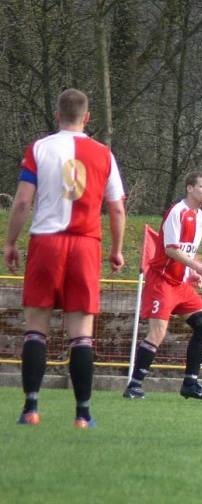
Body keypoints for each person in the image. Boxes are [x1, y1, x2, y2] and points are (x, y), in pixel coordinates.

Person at [4, 88, 126, 428]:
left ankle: (31, 409)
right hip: (86, 245)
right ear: (87, 118)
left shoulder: (39, 148)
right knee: (81, 333)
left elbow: (23, 202)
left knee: (35, 329)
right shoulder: (104, 153)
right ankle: (83, 415)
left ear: (57, 116)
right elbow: (116, 207)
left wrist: (10, 242)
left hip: (46, 242)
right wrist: (116, 250)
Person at [123, 172, 202, 400]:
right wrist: (198, 265)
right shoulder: (177, 212)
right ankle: (134, 386)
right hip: (162, 281)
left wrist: (192, 271)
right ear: (189, 188)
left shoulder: (200, 216)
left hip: (180, 283)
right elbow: (170, 249)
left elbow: (188, 251)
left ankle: (190, 384)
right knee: (158, 332)